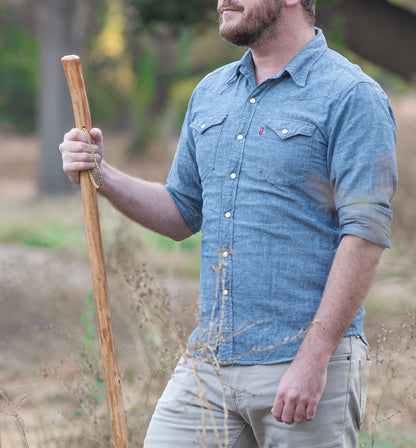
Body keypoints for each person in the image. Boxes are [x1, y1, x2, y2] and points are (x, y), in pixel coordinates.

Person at [59, 0, 398, 446]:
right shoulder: (211, 92)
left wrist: (314, 357)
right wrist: (100, 174)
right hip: (209, 363)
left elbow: (365, 234)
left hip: (304, 364)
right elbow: (182, 211)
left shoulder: (353, 95)